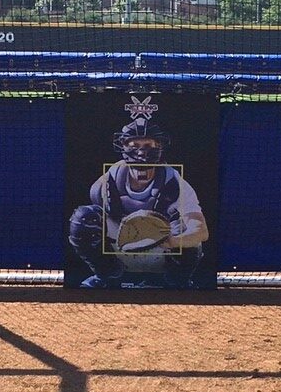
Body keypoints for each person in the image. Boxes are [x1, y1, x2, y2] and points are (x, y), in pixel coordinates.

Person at [69, 117, 209, 288]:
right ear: (123, 147)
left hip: (161, 249)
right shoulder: (106, 182)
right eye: (134, 146)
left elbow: (201, 231)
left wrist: (172, 241)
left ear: (159, 147)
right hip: (121, 248)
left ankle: (177, 281)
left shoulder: (174, 182)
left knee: (185, 228)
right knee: (84, 217)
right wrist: (131, 233)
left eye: (148, 146)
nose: (141, 153)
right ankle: (107, 275)